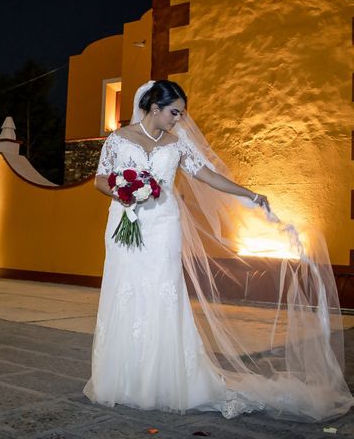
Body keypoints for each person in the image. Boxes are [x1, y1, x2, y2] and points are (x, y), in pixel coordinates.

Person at [84, 80, 353, 421]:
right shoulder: (118, 139)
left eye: (180, 114)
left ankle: (162, 379)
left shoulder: (176, 143)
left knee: (164, 295)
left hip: (164, 225)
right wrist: (123, 193)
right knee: (125, 292)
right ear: (155, 107)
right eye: (174, 112)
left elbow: (208, 176)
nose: (177, 120)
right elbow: (100, 178)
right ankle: (123, 379)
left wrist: (248, 194)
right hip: (124, 224)